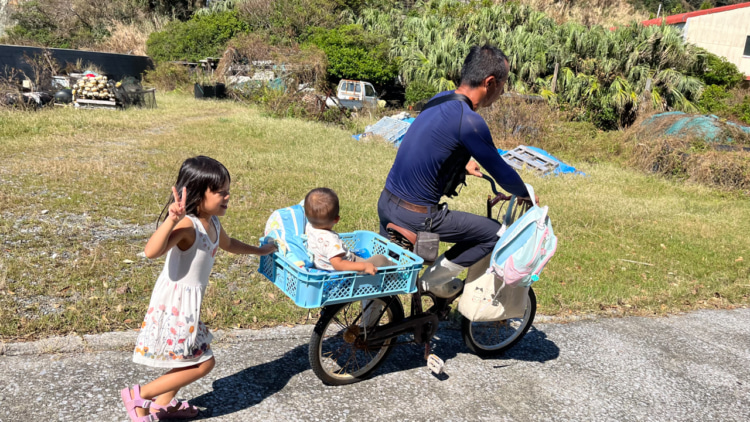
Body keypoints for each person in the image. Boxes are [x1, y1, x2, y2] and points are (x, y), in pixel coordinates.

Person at [120, 156, 276, 422]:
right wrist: (170, 220)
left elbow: (227, 244)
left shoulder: (212, 222)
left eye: (228, 191)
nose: (227, 197)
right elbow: (151, 252)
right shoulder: (187, 226)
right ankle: (138, 395)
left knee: (183, 359)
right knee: (202, 363)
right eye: (220, 192)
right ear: (197, 192)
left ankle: (162, 404)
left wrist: (260, 250)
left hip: (189, 306)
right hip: (175, 305)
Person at [378, 44, 536, 297]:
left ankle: (371, 329)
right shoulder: (470, 121)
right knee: (495, 234)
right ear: (490, 82)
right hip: (416, 216)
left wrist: (462, 162)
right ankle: (431, 282)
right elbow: (502, 172)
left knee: (386, 275)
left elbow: (429, 143)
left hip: (387, 203)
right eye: (504, 85)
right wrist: (525, 193)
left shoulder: (439, 98)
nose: (502, 91)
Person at [305, 187, 393, 274]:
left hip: (326, 266)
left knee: (366, 260)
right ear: (336, 219)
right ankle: (399, 273)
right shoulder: (330, 241)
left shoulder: (309, 227)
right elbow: (338, 265)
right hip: (348, 272)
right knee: (380, 259)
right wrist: (364, 266)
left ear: (306, 214)